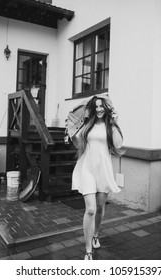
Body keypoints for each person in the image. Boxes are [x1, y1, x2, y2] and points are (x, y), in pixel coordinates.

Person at [70, 95, 124, 260]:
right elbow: (77, 144)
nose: (99, 109)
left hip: (103, 169)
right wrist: (72, 132)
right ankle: (88, 251)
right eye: (96, 107)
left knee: (100, 208)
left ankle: (95, 234)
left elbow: (118, 144)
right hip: (87, 168)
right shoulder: (88, 124)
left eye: (102, 106)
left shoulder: (109, 126)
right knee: (91, 209)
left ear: (106, 108)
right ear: (93, 109)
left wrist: (114, 122)